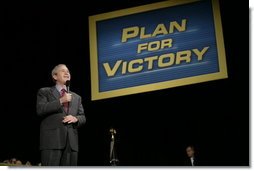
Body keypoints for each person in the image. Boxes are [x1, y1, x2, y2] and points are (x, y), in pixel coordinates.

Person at [37, 64, 86, 166]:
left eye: (68, 71)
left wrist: (76, 118)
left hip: (71, 143)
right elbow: (40, 109)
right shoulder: (44, 92)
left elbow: (83, 117)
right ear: (55, 76)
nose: (67, 73)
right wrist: (60, 101)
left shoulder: (77, 97)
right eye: (63, 71)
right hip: (52, 142)